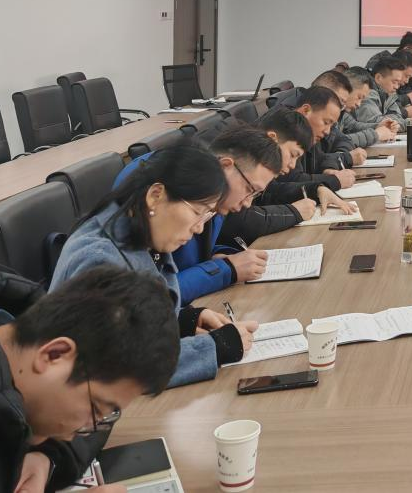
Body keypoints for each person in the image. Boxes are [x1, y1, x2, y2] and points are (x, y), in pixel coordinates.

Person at [0, 254, 179, 493]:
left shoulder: (12, 333)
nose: (85, 430)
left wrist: (46, 456)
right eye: (95, 409)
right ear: (54, 354)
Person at [51, 145, 260, 388]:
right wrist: (215, 347)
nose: (199, 228)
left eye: (207, 216)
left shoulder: (143, 234)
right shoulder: (98, 260)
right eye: (198, 212)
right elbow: (106, 367)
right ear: (155, 195)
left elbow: (124, 324)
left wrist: (182, 320)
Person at [115, 125, 284, 303]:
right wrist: (226, 270)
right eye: (250, 190)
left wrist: (219, 256)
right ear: (226, 166)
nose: (248, 202)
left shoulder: (214, 194)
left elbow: (193, 255)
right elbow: (148, 297)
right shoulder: (163, 186)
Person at [222, 107, 358, 245]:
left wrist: (316, 189)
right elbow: (238, 220)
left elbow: (270, 192)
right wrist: (294, 212)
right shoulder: (239, 161)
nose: (293, 165)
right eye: (293, 155)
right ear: (273, 139)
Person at [341, 66, 400, 149]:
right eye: (359, 97)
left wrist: (378, 126)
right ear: (345, 89)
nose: (359, 104)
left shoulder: (342, 112)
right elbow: (337, 142)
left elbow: (354, 126)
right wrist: (376, 135)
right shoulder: (330, 109)